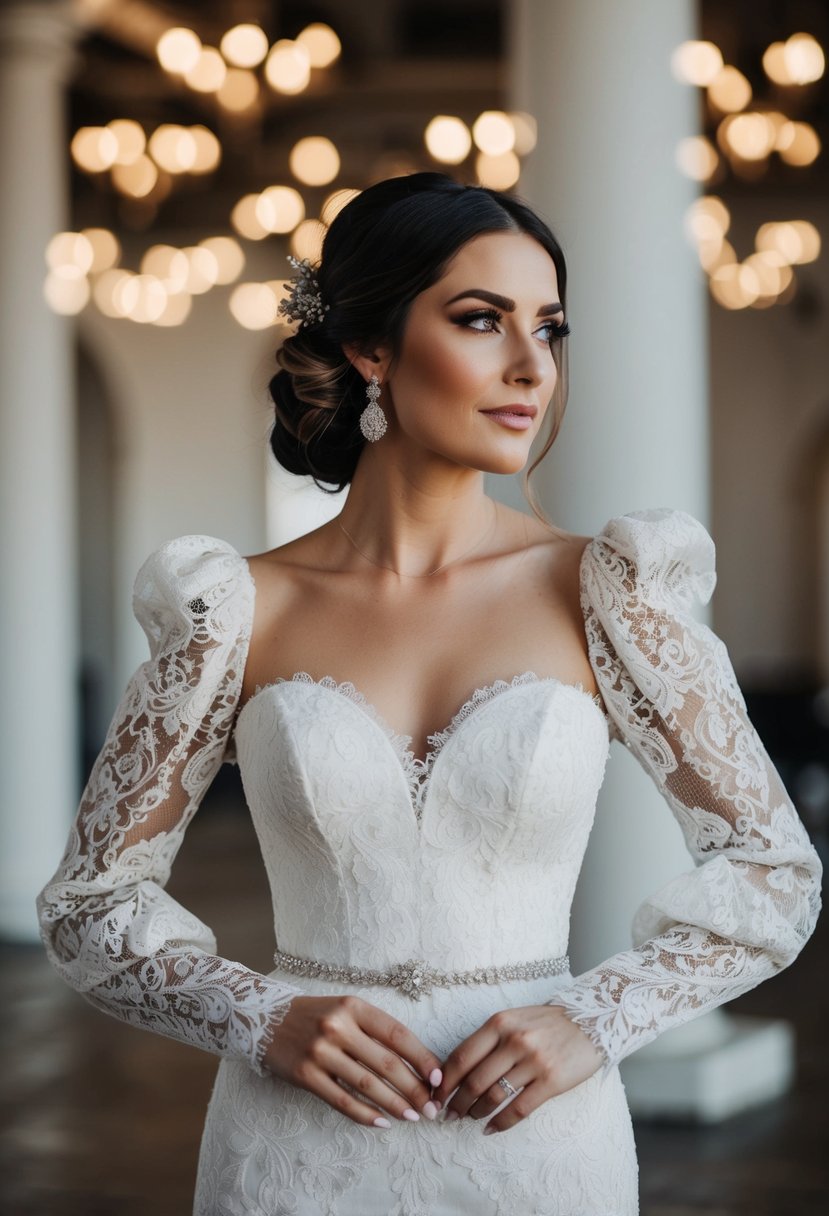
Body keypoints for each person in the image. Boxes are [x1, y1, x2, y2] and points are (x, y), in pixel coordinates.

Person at [37, 173, 822, 1216]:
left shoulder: (607, 590)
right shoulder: (233, 608)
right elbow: (92, 906)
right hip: (292, 1149)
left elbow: (773, 872)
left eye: (548, 327)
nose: (529, 366)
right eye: (479, 320)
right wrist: (257, 1012)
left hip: (537, 1144)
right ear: (370, 348)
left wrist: (594, 1017)